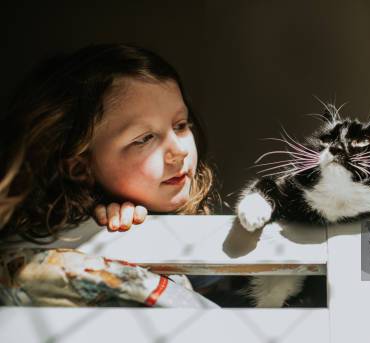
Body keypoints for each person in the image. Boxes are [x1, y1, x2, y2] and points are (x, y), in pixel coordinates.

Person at [0, 44, 220, 307]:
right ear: (80, 167)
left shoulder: (194, 216)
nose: (178, 151)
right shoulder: (73, 238)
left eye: (180, 125)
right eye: (145, 138)